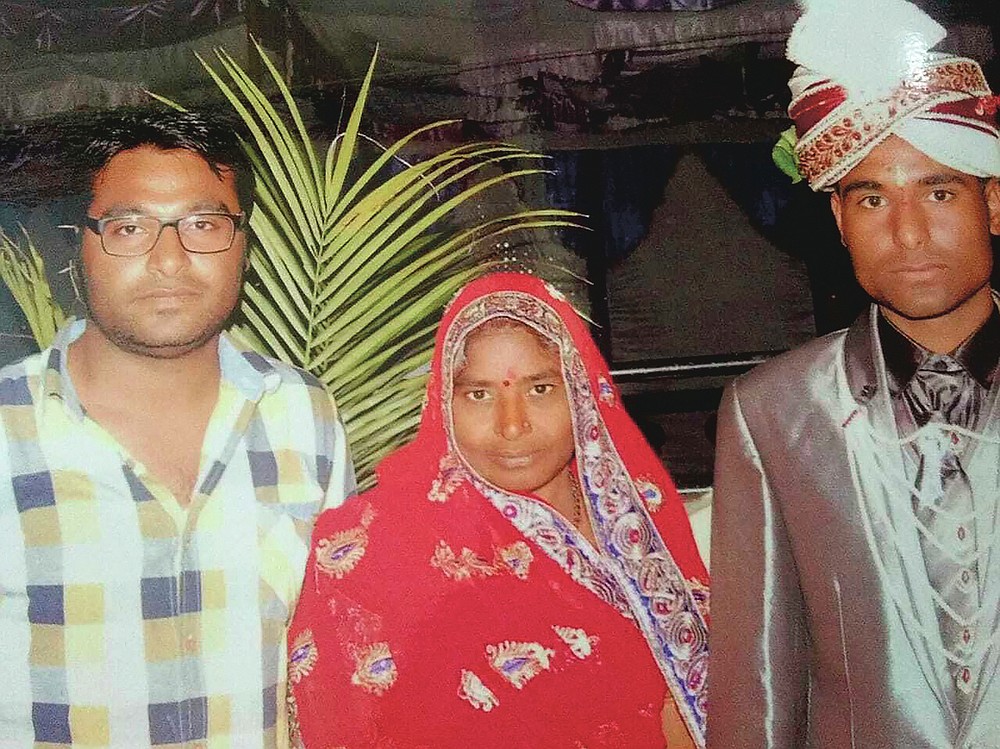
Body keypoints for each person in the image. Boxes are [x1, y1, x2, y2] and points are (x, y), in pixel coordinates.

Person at [0, 110, 354, 747]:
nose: (170, 259)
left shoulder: (303, 414)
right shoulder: (7, 430)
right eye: (130, 227)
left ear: (242, 240)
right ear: (78, 242)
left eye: (202, 224)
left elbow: (340, 643)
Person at [708, 1, 1000, 747]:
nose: (908, 233)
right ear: (839, 220)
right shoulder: (771, 414)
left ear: (993, 201)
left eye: (938, 192)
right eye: (873, 198)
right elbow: (757, 691)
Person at [287, 272, 709, 748]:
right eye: (480, 394)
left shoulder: (645, 523)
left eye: (540, 389)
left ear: (583, 393)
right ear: (444, 403)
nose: (512, 426)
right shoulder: (380, 553)